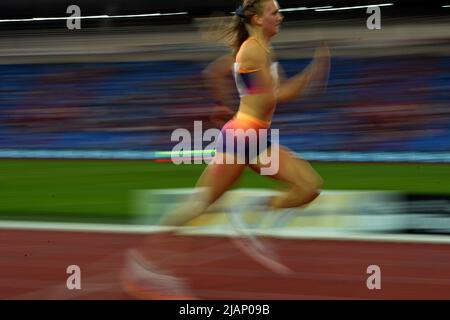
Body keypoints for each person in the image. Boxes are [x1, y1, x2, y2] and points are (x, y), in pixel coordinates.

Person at [122, 0, 330, 299]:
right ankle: (144, 266)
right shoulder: (252, 51)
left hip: (257, 138)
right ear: (258, 19)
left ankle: (251, 211)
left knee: (310, 186)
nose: (280, 17)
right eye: (275, 13)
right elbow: (275, 97)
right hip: (242, 139)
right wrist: (312, 73)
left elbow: (216, 74)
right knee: (200, 205)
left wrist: (223, 103)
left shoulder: (261, 51)